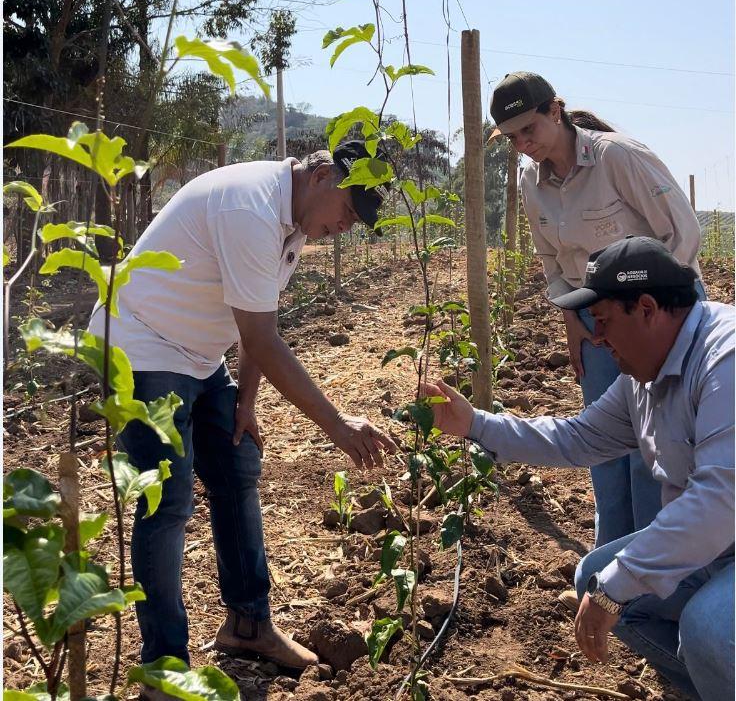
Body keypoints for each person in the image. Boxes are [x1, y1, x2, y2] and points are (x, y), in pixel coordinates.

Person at [88, 140, 398, 675]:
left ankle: (248, 625)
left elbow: (259, 320)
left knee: (236, 466)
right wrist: (338, 426)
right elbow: (263, 338)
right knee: (167, 500)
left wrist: (246, 402)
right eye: (348, 211)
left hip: (199, 355)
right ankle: (164, 667)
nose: (347, 226)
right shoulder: (249, 207)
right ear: (323, 175)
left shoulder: (292, 224)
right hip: (140, 344)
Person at [424, 237, 734, 701]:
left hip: (723, 531)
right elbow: (577, 438)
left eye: (603, 321)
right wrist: (474, 424)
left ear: (647, 308)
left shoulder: (723, 360)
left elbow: (718, 504)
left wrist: (618, 586)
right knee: (598, 575)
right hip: (716, 548)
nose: (597, 337)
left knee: (705, 623)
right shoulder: (642, 377)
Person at [490, 72, 704, 547]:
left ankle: (652, 574)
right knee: (603, 446)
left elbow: (682, 235)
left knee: (653, 447)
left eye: (530, 129)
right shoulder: (531, 180)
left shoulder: (617, 158)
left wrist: (661, 323)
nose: (524, 144)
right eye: (512, 138)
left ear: (555, 111)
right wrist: (572, 318)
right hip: (594, 318)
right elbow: (552, 260)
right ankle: (610, 561)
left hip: (659, 315)